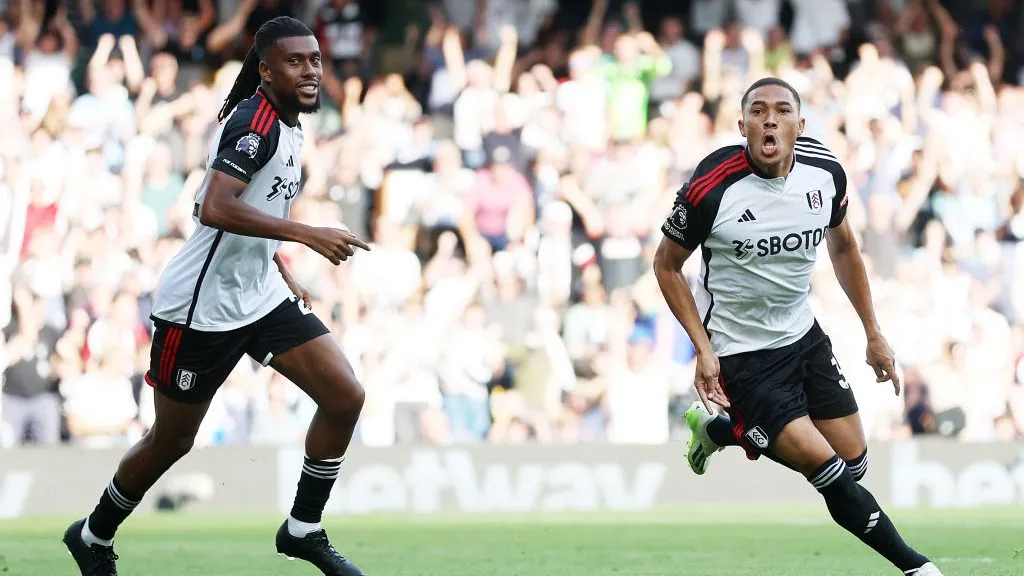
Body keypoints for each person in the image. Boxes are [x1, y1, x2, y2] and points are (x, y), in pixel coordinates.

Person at [62, 17, 369, 576]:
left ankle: (303, 528)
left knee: (345, 396)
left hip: (259, 294)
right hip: (200, 309)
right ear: (266, 70)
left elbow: (254, 208)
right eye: (296, 61)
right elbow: (214, 207)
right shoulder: (255, 122)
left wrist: (277, 265)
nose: (311, 71)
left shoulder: (291, 124)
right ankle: (92, 534)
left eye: (315, 60)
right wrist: (306, 234)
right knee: (172, 440)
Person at [652, 77, 943, 576]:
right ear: (742, 125)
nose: (770, 120)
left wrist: (873, 333)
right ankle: (918, 569)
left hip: (802, 336)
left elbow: (844, 247)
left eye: (782, 111)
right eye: (758, 111)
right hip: (741, 354)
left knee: (854, 462)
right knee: (828, 472)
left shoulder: (825, 173)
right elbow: (666, 265)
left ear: (800, 124)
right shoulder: (711, 186)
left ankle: (721, 429)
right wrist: (703, 348)